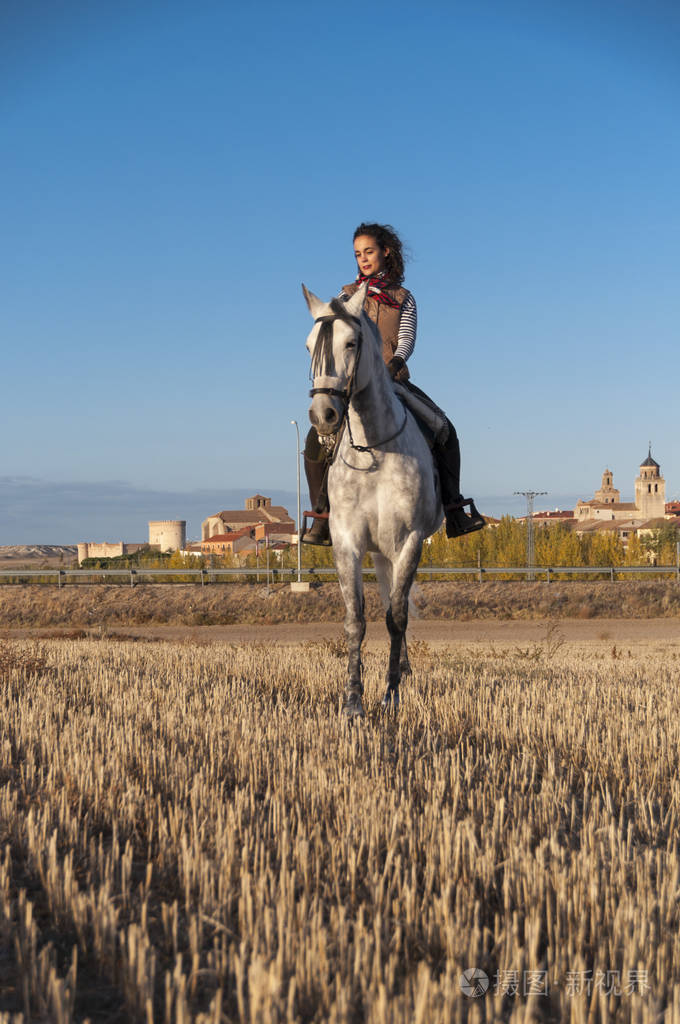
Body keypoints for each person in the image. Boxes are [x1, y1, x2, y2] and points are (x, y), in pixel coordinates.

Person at [302, 222, 484, 545]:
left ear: (385, 252)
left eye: (369, 252)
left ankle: (454, 508)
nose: (363, 259)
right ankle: (322, 515)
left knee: (445, 430)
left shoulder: (404, 298)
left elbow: (406, 338)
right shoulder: (345, 296)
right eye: (358, 254)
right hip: (354, 388)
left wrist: (396, 362)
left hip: (393, 382)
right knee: (316, 440)